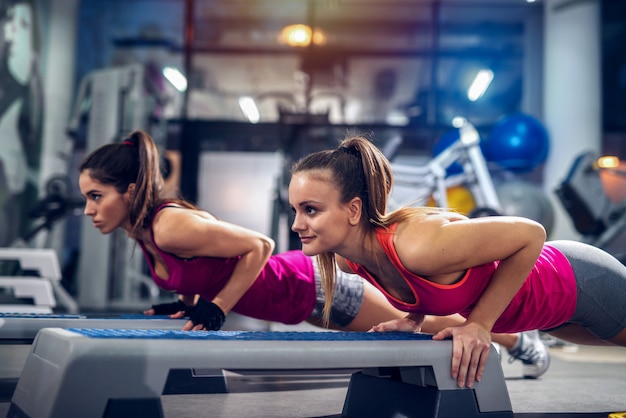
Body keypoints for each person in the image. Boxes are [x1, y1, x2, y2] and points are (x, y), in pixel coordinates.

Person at [78, 130, 548, 377]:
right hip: (298, 302)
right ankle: (511, 339)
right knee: (418, 325)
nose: (88, 209)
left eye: (96, 196)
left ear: (132, 190)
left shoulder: (168, 225)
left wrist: (217, 308)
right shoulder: (144, 235)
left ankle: (519, 341)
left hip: (308, 285)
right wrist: (187, 302)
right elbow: (206, 272)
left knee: (422, 328)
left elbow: (259, 246)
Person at [288, 133, 626, 388]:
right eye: (295, 210)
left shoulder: (417, 244)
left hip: (578, 282)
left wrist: (479, 324)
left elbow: (532, 235)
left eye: (311, 209)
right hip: (548, 315)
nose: (297, 224)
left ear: (353, 210)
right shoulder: (353, 263)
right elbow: (428, 281)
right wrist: (413, 318)